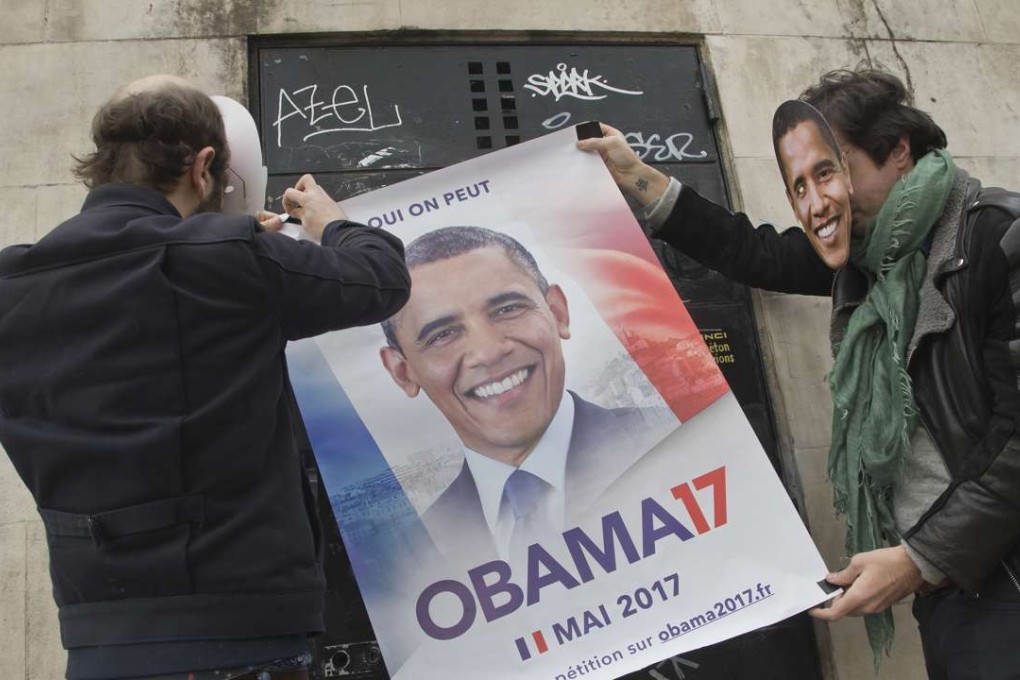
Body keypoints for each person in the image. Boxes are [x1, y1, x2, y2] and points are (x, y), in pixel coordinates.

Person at [579, 67, 1020, 677]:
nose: (815, 205)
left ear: (898, 152)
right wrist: (638, 178)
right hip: (951, 581)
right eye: (799, 186)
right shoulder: (866, 258)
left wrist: (920, 558)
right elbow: (755, 252)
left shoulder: (1000, 238)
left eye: (829, 172)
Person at [0, 75, 411, 680]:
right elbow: (381, 279)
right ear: (204, 166)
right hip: (240, 630)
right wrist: (329, 224)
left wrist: (238, 256)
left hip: (99, 636)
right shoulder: (226, 258)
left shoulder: (13, 283)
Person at [377, 226, 672, 563]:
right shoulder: (410, 559)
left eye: (507, 309)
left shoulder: (682, 443)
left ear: (558, 313)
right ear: (403, 372)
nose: (487, 352)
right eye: (443, 334)